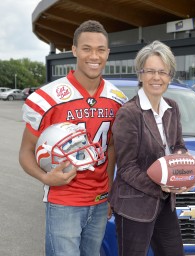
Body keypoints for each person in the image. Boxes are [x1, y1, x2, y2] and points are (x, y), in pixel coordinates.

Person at [19, 20, 127, 256]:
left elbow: (110, 148)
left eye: (100, 49)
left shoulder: (117, 99)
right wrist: (45, 177)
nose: (94, 56)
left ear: (108, 53)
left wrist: (108, 192)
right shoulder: (48, 98)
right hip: (64, 200)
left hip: (99, 202)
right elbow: (26, 151)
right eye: (86, 48)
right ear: (74, 50)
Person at [109, 40, 191, 256]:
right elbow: (126, 168)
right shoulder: (129, 113)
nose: (157, 77)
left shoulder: (172, 107)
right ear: (140, 75)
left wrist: (183, 168)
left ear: (170, 76)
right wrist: (163, 185)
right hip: (133, 205)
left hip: (164, 203)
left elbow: (179, 146)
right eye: (151, 71)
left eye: (163, 72)